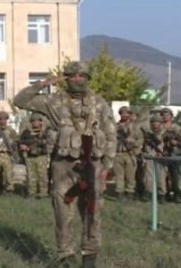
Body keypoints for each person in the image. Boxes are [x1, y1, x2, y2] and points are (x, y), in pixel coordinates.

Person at [14, 61, 116, 268]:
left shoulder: (99, 102)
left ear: (88, 78)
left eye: (81, 75)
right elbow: (20, 100)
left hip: (93, 164)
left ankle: (89, 256)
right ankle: (65, 256)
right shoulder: (52, 101)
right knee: (62, 211)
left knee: (92, 211)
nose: (77, 79)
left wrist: (107, 165)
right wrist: (44, 83)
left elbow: (110, 134)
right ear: (66, 79)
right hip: (64, 165)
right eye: (72, 75)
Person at [17, 112, 52, 198]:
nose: (35, 123)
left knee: (42, 175)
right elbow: (20, 141)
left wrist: (38, 142)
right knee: (30, 175)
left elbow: (48, 142)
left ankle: (43, 193)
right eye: (33, 121)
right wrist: (23, 146)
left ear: (41, 122)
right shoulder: (26, 132)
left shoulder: (45, 132)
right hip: (30, 157)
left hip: (41, 156)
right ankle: (31, 192)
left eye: (37, 121)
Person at [113, 106, 142, 201]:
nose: (124, 115)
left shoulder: (135, 127)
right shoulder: (115, 126)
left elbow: (140, 140)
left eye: (126, 113)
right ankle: (119, 193)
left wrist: (132, 144)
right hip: (118, 154)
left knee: (130, 176)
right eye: (122, 113)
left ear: (130, 114)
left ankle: (130, 193)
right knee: (119, 176)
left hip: (130, 154)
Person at [142, 115, 167, 202]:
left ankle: (161, 194)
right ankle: (149, 193)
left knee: (161, 177)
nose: (155, 124)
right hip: (149, 156)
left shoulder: (165, 133)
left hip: (160, 157)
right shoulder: (148, 133)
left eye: (157, 122)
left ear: (160, 123)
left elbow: (167, 145)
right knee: (148, 176)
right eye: (153, 122)